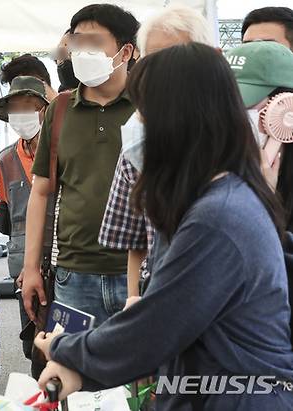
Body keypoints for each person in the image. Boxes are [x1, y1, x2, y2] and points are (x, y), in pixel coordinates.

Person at [35, 42, 293, 410]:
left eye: (147, 112)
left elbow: (154, 329)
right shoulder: (221, 199)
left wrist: (63, 348)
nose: (139, 125)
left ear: (176, 120)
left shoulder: (219, 216)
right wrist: (81, 368)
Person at [21, 4, 138, 325]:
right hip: (74, 275)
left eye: (95, 43)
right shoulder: (60, 109)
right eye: (77, 42)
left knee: (140, 374)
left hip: (140, 274)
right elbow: (41, 192)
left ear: (125, 51)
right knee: (73, 372)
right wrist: (31, 268)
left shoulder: (149, 105)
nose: (83, 51)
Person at [98, 4, 214, 304]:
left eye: (176, 53)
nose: (165, 68)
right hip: (159, 295)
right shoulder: (137, 138)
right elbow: (135, 240)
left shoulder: (232, 133)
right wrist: (134, 297)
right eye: (154, 57)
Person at [0, 76, 49, 362]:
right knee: (33, 342)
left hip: (61, 255)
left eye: (28, 107)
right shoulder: (6, 158)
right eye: (15, 109)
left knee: (63, 335)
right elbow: (8, 203)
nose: (21, 116)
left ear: (43, 110)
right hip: (22, 261)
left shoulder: (62, 152)